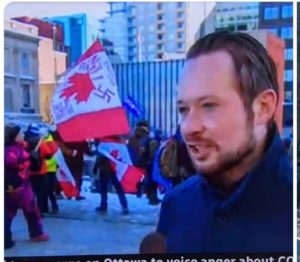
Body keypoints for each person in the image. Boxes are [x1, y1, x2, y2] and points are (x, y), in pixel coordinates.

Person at [156, 31, 292, 253]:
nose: (189, 128)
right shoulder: (176, 205)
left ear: (262, 108)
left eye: (209, 106)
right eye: (183, 109)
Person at [5, 124, 49, 247]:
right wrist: (28, 159)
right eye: (20, 134)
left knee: (31, 211)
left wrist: (33, 157)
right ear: (14, 137)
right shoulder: (9, 150)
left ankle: (36, 233)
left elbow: (31, 154)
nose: (23, 135)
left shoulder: (21, 146)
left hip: (24, 185)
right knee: (7, 214)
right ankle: (5, 239)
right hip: (13, 186)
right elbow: (12, 163)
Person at [93, 141, 129, 215]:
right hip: (116, 169)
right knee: (119, 188)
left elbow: (100, 156)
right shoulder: (119, 143)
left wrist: (96, 166)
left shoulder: (103, 144)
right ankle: (124, 205)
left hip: (105, 168)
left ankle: (103, 205)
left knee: (104, 188)